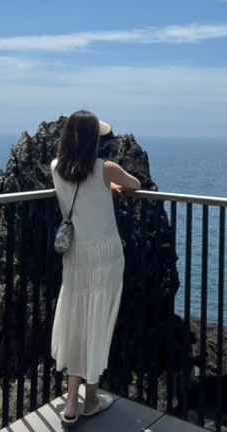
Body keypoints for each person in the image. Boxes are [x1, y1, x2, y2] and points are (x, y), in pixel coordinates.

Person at [50, 110, 141, 426]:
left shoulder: (56, 168)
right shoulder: (105, 169)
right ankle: (90, 399)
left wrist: (104, 189)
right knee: (97, 324)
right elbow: (135, 183)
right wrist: (110, 187)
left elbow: (80, 190)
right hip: (104, 256)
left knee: (77, 323)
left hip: (76, 255)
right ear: (93, 140)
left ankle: (70, 403)